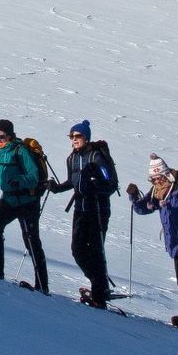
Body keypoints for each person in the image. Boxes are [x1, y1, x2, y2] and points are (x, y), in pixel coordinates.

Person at [128, 154, 178, 330]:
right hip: (174, 240)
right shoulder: (158, 191)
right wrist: (134, 197)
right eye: (153, 179)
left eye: (158, 177)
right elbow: (143, 208)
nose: (156, 181)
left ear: (166, 174)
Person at [48, 119, 119, 306]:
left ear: (86, 137)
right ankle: (99, 283)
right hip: (80, 208)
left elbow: (110, 182)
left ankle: (99, 294)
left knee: (96, 250)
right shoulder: (72, 158)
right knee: (77, 249)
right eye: (71, 136)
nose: (74, 139)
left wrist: (97, 184)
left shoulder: (96, 157)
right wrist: (56, 188)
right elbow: (72, 181)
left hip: (98, 209)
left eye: (77, 136)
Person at [0, 118, 48, 291]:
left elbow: (34, 177)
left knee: (31, 241)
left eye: (1, 137)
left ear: (9, 136)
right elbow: (0, 179)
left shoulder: (21, 151)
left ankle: (42, 285)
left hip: (27, 202)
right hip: (9, 200)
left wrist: (18, 181)